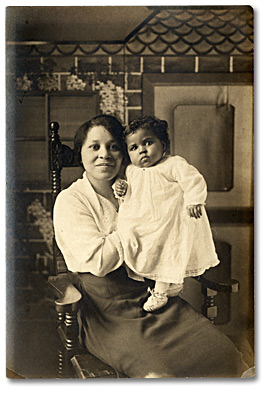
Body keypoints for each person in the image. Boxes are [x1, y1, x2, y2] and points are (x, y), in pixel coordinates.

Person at [53, 114, 250, 378]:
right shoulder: (71, 200)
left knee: (225, 355)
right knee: (161, 373)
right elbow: (100, 261)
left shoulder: (138, 185)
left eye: (114, 147)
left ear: (124, 154)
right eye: (94, 147)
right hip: (109, 314)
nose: (105, 155)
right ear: (80, 153)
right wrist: (143, 228)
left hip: (156, 300)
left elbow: (169, 229)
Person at [114, 116, 219, 312]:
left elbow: (193, 180)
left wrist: (194, 200)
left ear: (163, 144)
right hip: (146, 221)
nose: (142, 150)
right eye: (134, 148)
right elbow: (131, 195)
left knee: (168, 248)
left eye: (148, 143)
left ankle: (161, 290)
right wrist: (121, 188)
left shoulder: (173, 164)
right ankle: (172, 284)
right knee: (140, 244)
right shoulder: (131, 171)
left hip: (169, 221)